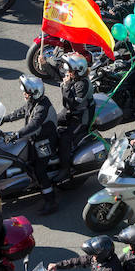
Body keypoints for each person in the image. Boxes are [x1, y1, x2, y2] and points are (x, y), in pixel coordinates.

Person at [2, 74, 59, 214]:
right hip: (35, 139)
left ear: (34, 93)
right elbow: (22, 111)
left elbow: (33, 125)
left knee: (40, 170)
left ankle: (50, 202)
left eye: (26, 91)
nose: (24, 93)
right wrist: (5, 119)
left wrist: (17, 134)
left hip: (45, 142)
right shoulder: (34, 101)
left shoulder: (42, 107)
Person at [56, 53, 94, 181]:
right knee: (50, 123)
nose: (68, 73)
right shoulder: (74, 77)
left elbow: (71, 104)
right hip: (70, 112)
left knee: (65, 138)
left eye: (70, 71)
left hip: (80, 117)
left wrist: (66, 86)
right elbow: (57, 75)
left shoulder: (82, 84)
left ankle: (65, 170)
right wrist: (44, 65)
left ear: (78, 71)